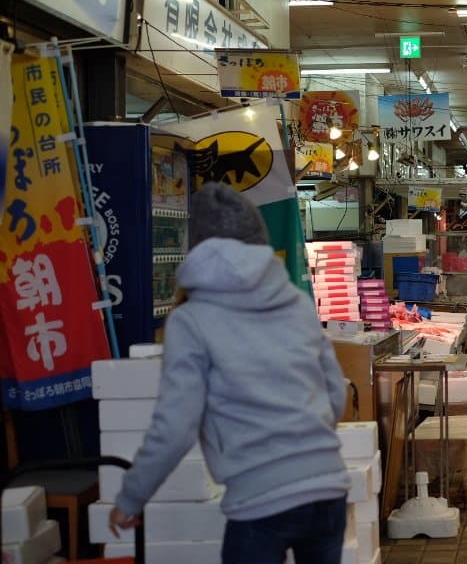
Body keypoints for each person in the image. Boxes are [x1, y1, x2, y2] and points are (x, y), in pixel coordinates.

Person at [109, 182, 350, 564]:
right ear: (259, 243)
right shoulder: (296, 302)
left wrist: (131, 497)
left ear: (198, 248)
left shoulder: (190, 320)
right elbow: (336, 394)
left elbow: (176, 425)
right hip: (328, 489)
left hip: (260, 500)